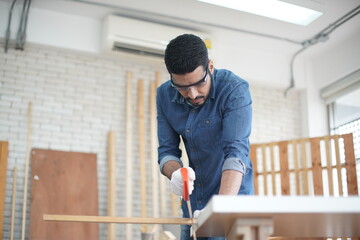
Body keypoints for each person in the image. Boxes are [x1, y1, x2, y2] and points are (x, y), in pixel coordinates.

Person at [157, 34, 254, 240]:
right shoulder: (164, 95)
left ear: (210, 67)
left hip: (233, 200)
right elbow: (167, 152)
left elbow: (236, 153)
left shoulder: (234, 90)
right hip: (194, 202)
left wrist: (219, 208)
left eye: (199, 84)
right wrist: (175, 173)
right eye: (182, 87)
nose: (192, 94)